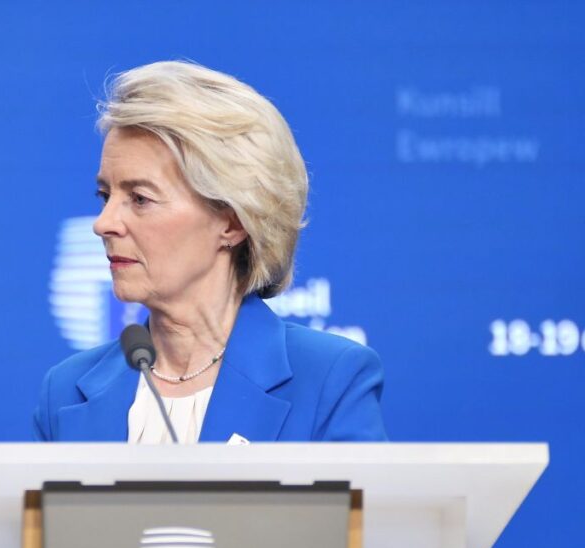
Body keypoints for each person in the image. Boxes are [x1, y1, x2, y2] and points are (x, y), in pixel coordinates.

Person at [34, 61, 386, 444]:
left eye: (140, 198)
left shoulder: (329, 381)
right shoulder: (65, 392)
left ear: (232, 222)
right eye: (106, 196)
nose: (104, 223)